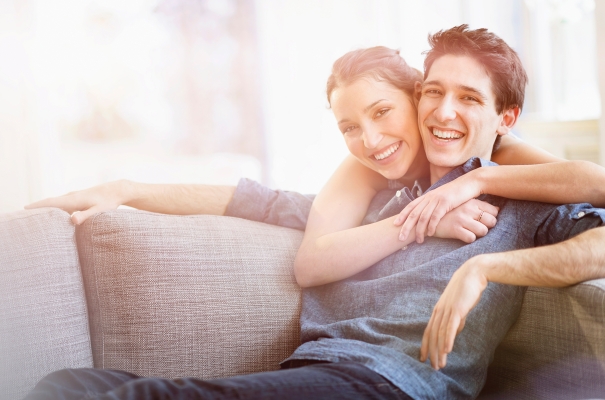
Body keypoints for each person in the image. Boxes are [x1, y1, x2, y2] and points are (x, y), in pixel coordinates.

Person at [25, 25, 605, 399]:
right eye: (433, 91)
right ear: (418, 97)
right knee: (68, 384)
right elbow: (254, 200)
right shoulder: (376, 198)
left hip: (393, 385)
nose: (443, 111)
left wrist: (485, 266)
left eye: (469, 98)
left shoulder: (518, 201)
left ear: (505, 119)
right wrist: (127, 189)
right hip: (317, 371)